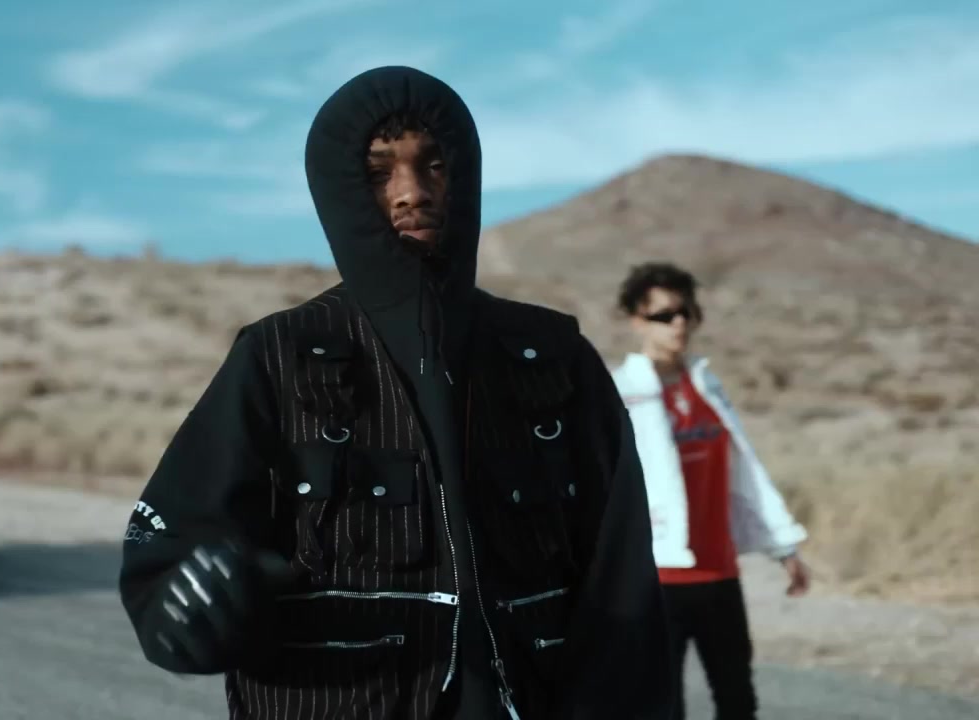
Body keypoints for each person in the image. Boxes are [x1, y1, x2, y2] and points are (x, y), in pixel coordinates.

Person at [117, 65, 673, 719]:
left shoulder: (552, 356)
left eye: (434, 165)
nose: (412, 192)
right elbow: (172, 542)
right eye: (381, 172)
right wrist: (185, 606)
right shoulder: (278, 356)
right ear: (344, 191)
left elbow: (622, 583)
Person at [611, 262, 811, 719]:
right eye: (664, 315)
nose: (678, 323)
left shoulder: (705, 385)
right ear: (637, 320)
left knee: (738, 700)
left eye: (686, 312)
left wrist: (784, 547)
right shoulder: (620, 392)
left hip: (720, 572)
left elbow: (745, 475)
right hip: (658, 578)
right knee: (663, 705)